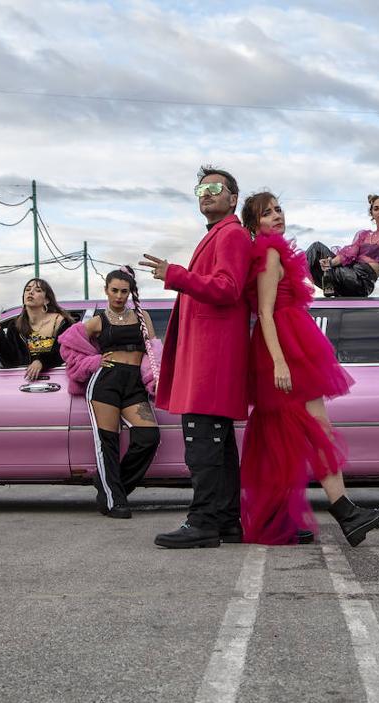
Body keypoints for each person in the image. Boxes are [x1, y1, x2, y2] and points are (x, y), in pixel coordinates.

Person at [239, 192, 379, 547]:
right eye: (267, 213)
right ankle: (345, 512)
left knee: (284, 435)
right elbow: (264, 312)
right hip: (286, 348)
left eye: (278, 209)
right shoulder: (269, 253)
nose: (276, 215)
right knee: (315, 430)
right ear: (254, 224)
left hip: (291, 344)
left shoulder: (273, 252)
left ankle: (280, 518)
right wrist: (280, 361)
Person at [139, 167, 253, 548]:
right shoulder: (219, 234)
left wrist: (175, 274)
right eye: (201, 189)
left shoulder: (232, 234)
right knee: (216, 444)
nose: (206, 193)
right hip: (208, 356)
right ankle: (226, 521)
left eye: (215, 188)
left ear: (233, 198)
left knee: (202, 442)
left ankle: (203, 521)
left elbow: (228, 288)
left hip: (211, 359)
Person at [57, 267, 161, 519]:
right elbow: (67, 345)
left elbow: (154, 349)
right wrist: (93, 362)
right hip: (106, 382)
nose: (119, 296)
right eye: (114, 290)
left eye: (124, 291)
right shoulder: (98, 321)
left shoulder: (142, 316)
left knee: (149, 437)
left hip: (134, 383)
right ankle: (113, 500)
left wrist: (155, 377)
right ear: (106, 290)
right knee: (108, 442)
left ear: (130, 292)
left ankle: (111, 488)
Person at [0, 278, 72, 379]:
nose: (31, 292)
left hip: (57, 380)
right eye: (27, 289)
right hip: (24, 381)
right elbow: (10, 362)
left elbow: (67, 352)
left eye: (38, 290)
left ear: (47, 300)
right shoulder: (15, 326)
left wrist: (41, 361)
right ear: (23, 297)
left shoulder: (61, 322)